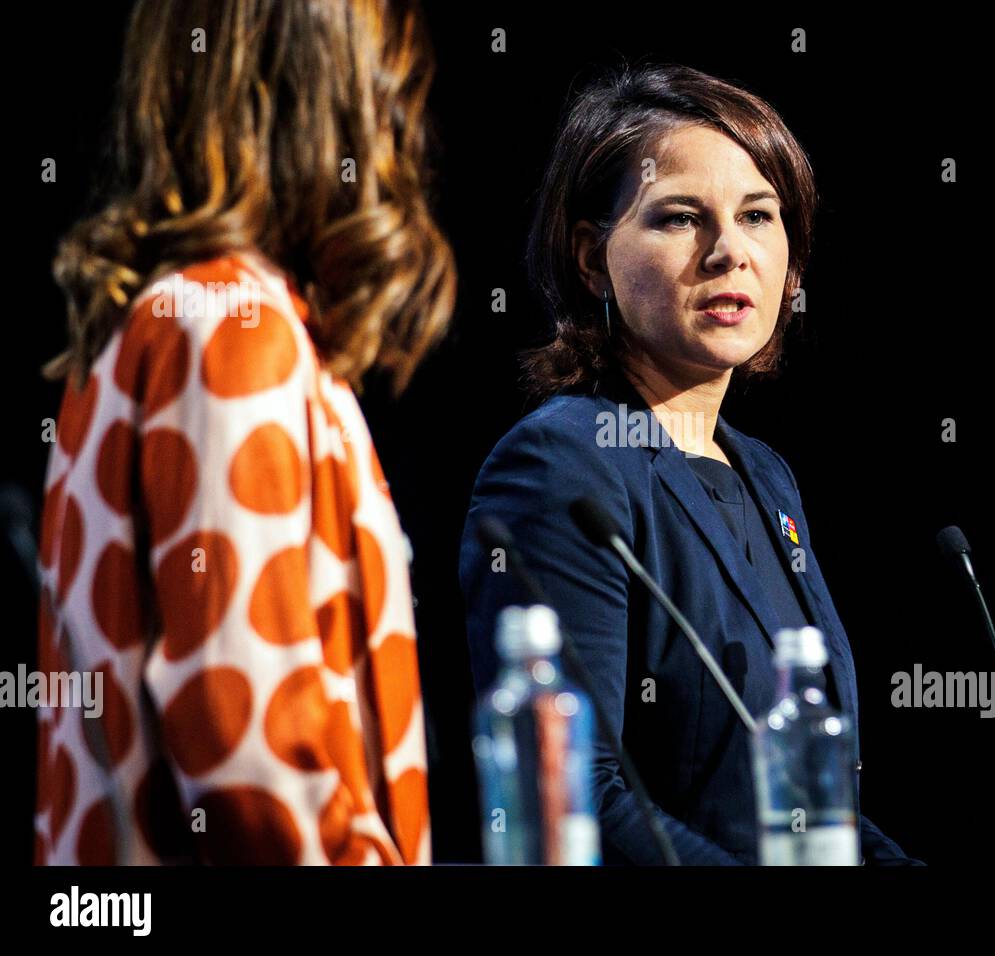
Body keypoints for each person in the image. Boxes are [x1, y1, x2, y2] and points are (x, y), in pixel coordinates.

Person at [459, 63, 922, 865]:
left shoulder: (766, 475)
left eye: (758, 215)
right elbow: (577, 797)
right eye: (679, 218)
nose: (728, 252)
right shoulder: (563, 464)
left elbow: (806, 801)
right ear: (590, 258)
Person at [34, 0, 455, 865]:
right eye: (388, 86)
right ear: (325, 94)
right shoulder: (231, 323)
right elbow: (247, 745)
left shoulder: (158, 319)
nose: (401, 124)